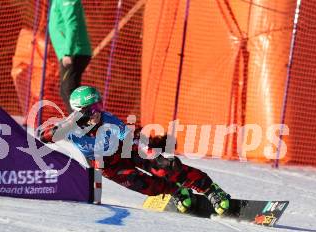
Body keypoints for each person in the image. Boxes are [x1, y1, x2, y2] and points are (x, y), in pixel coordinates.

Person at [39, 86, 231, 215]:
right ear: (79, 112)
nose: (98, 112)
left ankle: (209, 189)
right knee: (145, 185)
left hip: (127, 151)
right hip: (109, 167)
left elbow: (132, 140)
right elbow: (43, 135)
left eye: (99, 105)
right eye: (92, 108)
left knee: (166, 168)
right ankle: (177, 192)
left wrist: (155, 157)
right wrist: (68, 125)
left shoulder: (108, 119)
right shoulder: (69, 128)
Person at [49, 0, 92, 113]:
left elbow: (72, 24)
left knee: (68, 90)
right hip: (70, 53)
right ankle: (82, 123)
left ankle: (82, 124)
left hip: (74, 53)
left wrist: (68, 53)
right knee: (67, 91)